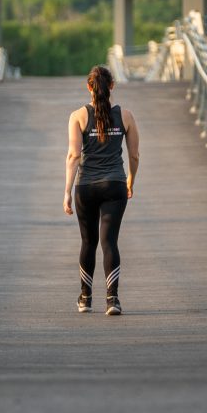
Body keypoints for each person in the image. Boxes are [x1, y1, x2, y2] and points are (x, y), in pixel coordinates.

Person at [63, 65, 140, 316]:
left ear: (89, 87)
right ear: (112, 86)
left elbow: (74, 155)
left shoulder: (78, 116)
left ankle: (85, 299)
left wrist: (66, 193)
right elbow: (134, 155)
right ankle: (112, 300)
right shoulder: (126, 116)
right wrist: (130, 180)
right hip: (115, 185)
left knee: (88, 242)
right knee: (109, 242)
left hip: (85, 187)